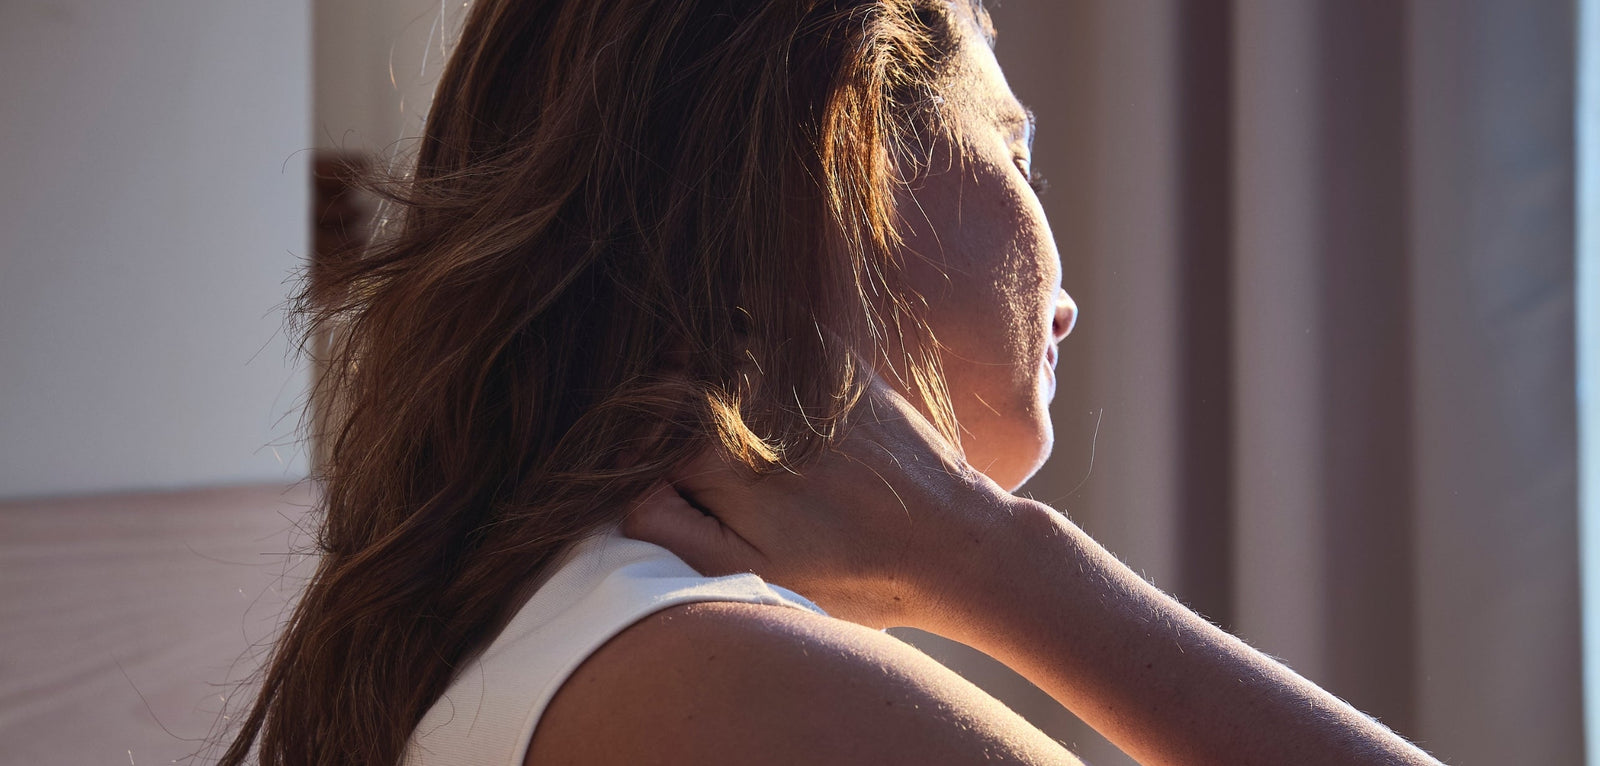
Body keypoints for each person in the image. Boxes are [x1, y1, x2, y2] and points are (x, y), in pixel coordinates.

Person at [220, 1, 1445, 764]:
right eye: (1016, 153)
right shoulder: (713, 681)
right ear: (839, 141)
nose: (1067, 294)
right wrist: (1000, 559)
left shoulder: (572, 628)